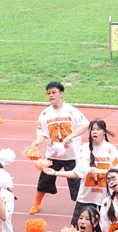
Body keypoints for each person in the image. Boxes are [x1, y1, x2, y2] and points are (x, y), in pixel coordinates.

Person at [43, 119, 118, 226]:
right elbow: (77, 173)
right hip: (86, 196)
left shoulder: (111, 149)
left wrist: (100, 171)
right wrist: (55, 173)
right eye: (92, 129)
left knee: (109, 227)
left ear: (104, 132)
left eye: (98, 129)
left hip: (106, 196)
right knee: (76, 226)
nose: (95, 132)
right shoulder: (83, 150)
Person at [28, 81, 89, 214]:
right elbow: (42, 132)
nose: (51, 95)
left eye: (54, 92)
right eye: (48, 93)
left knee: (76, 184)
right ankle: (37, 203)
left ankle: (81, 208)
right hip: (52, 155)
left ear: (61, 94)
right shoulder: (45, 114)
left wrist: (71, 136)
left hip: (72, 155)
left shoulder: (72, 111)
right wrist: (38, 141)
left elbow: (85, 124)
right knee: (44, 180)